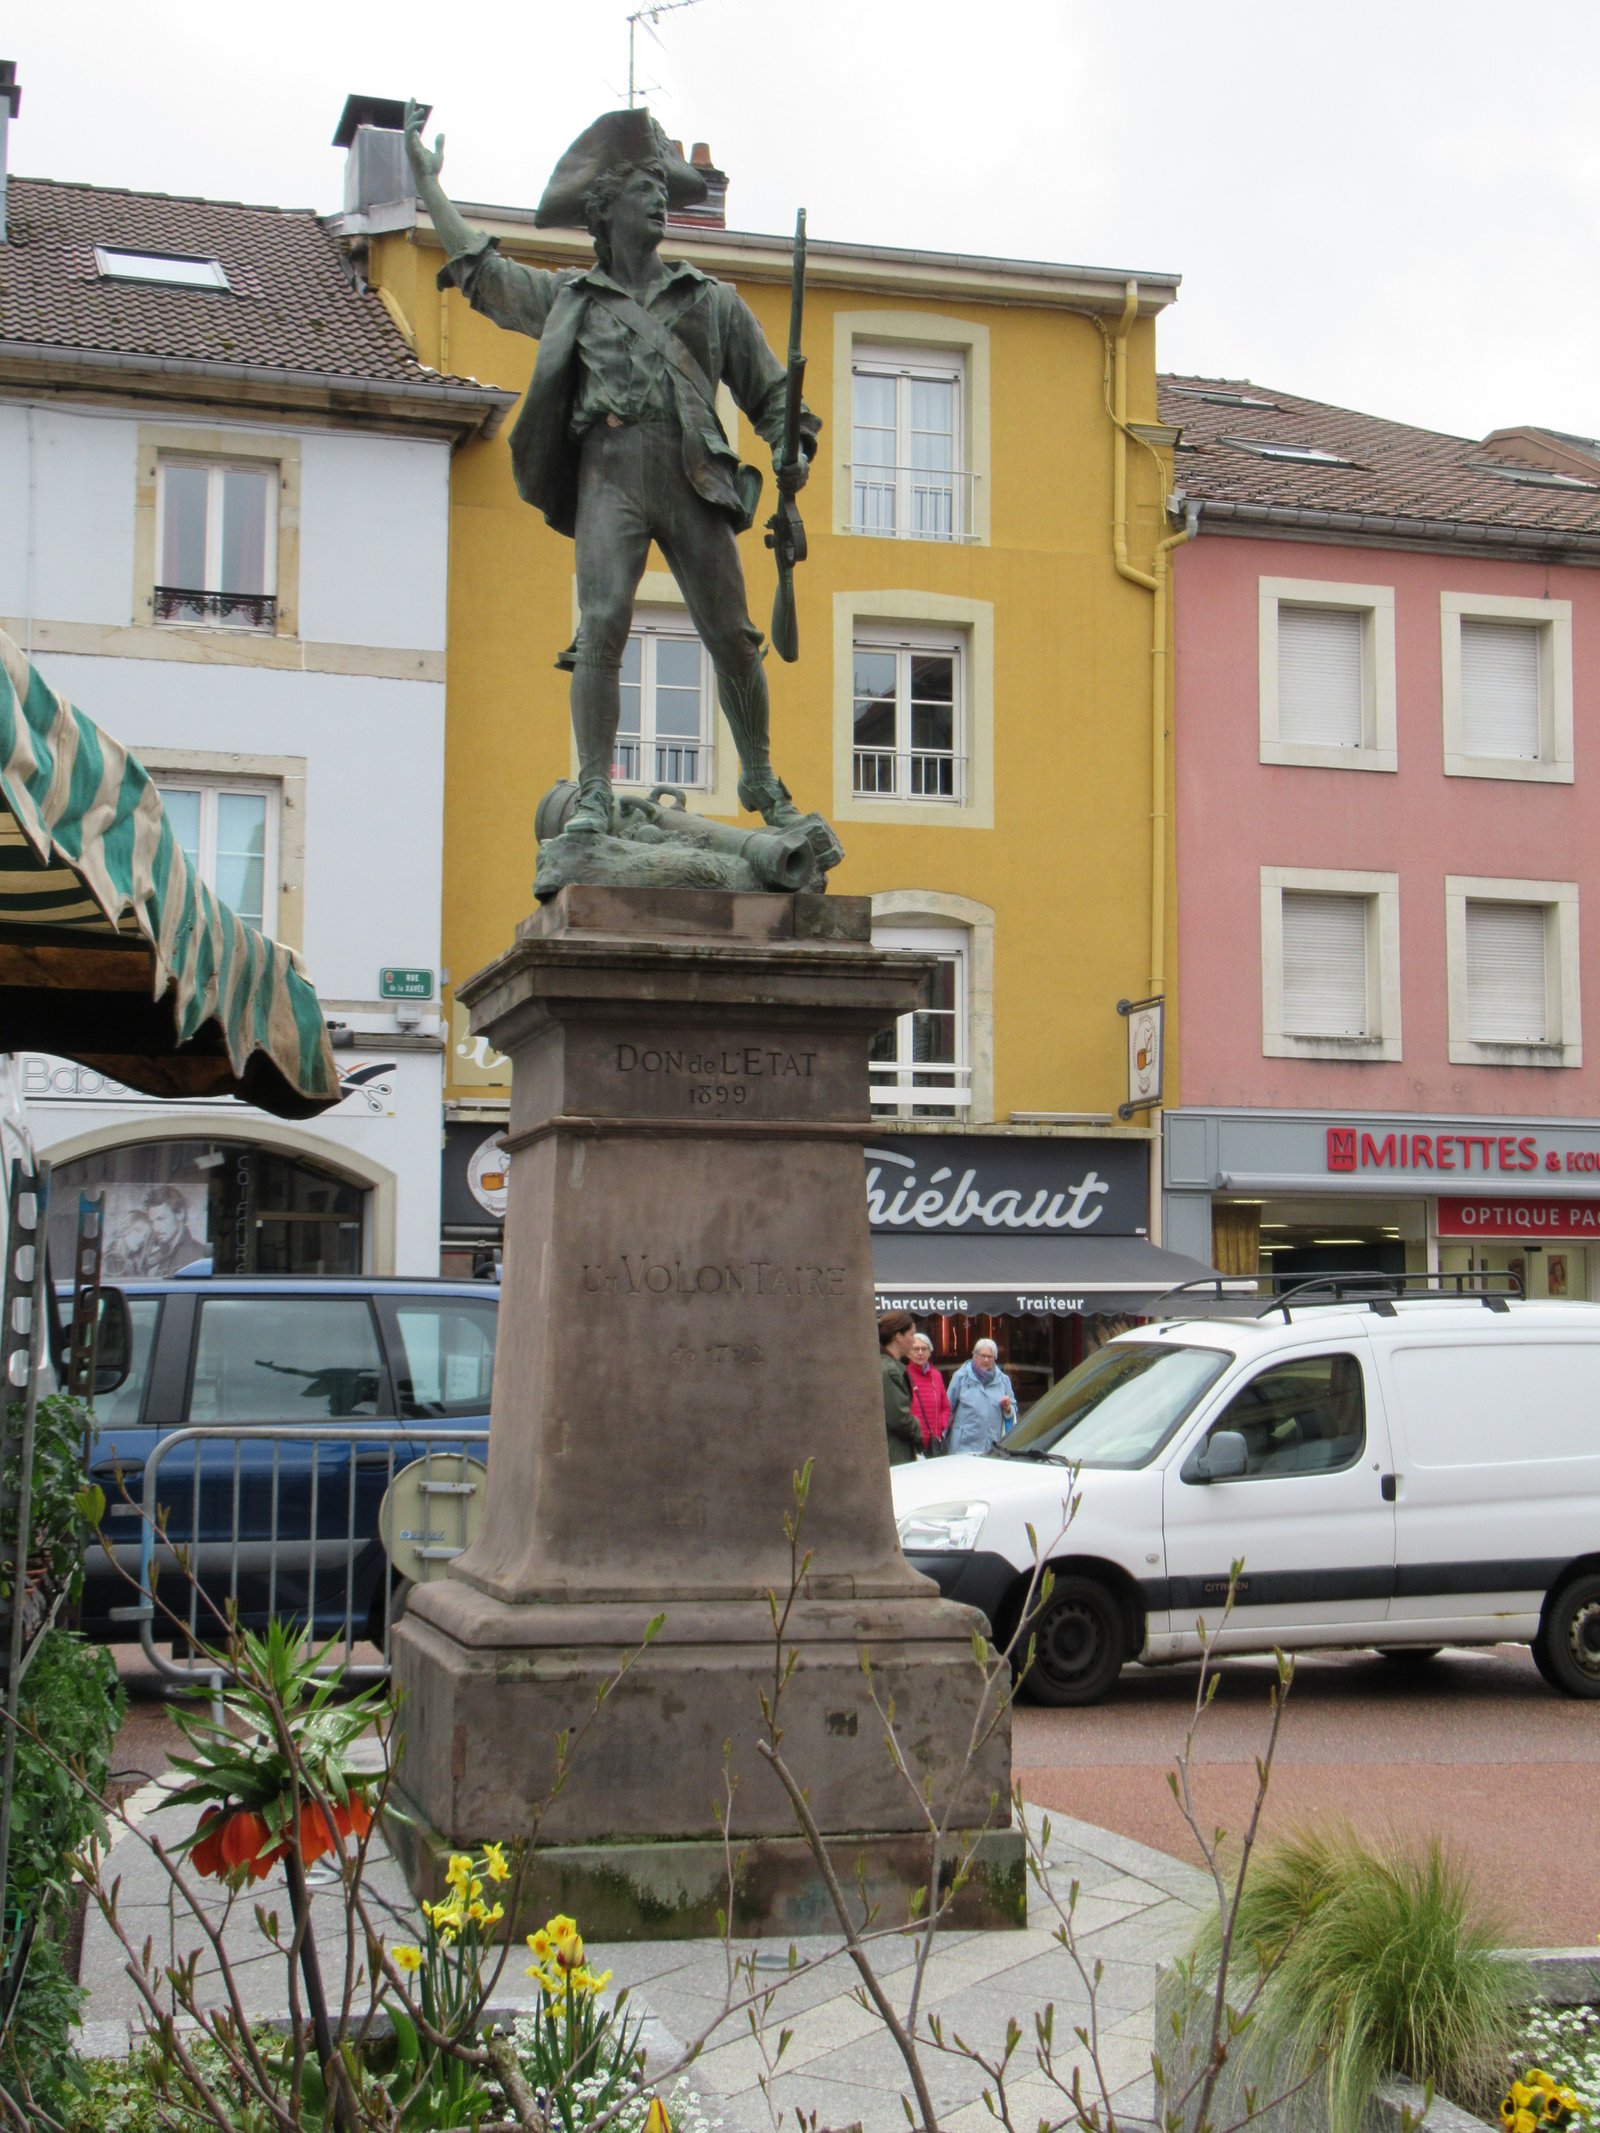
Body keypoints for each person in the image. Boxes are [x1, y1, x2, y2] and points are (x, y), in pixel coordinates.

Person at [404, 101, 819, 841]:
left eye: (662, 185)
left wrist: (794, 449)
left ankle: (758, 775)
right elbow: (482, 274)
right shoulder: (572, 299)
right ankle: (594, 787)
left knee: (732, 634)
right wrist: (430, 188)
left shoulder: (711, 300)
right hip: (610, 472)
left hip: (694, 473)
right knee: (600, 626)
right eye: (642, 187)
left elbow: (774, 396)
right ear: (604, 208)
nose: (659, 198)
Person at [946, 1338, 1018, 1457]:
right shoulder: (961, 1377)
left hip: (992, 1447)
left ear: (995, 1358)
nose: (986, 1360)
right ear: (975, 1356)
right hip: (963, 1448)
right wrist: (940, 1437)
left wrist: (1008, 1408)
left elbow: (1013, 1409)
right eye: (982, 1356)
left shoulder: (1003, 1380)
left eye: (990, 1357)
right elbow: (947, 1408)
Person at [878, 1311, 919, 1468]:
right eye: (912, 1334)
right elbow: (899, 1419)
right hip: (895, 1454)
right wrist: (917, 1427)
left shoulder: (887, 1366)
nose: (914, 1341)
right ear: (899, 1336)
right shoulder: (889, 1370)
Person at [140, 1185, 206, 1279]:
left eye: (161, 1219)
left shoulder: (197, 1255)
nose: (155, 1228)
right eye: (152, 1222)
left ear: (180, 1214)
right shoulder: (160, 1253)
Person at [907, 1332, 951, 1456]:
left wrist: (940, 1426)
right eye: (916, 1349)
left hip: (934, 1442)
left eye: (924, 1349)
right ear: (909, 1353)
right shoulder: (903, 1374)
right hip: (913, 1444)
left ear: (929, 1352)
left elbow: (946, 1407)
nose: (920, 1353)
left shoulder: (936, 1375)